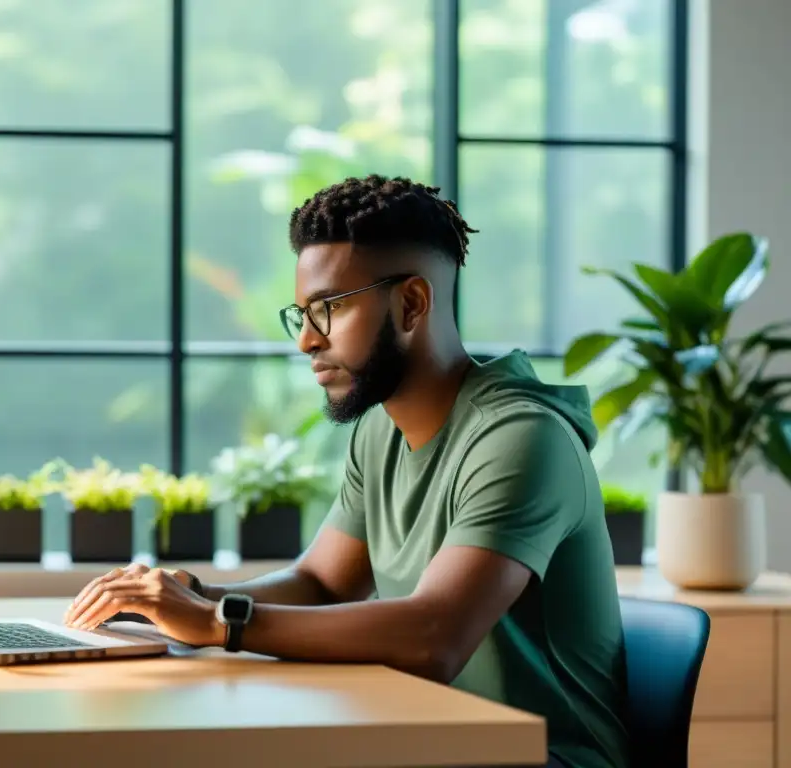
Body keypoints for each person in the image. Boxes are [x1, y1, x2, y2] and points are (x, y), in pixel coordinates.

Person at [65, 174, 630, 768]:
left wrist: (218, 621)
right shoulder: (379, 429)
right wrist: (191, 595)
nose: (307, 340)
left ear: (411, 303)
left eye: (329, 309)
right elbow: (323, 586)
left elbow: (433, 635)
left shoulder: (521, 438)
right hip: (422, 740)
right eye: (302, 314)